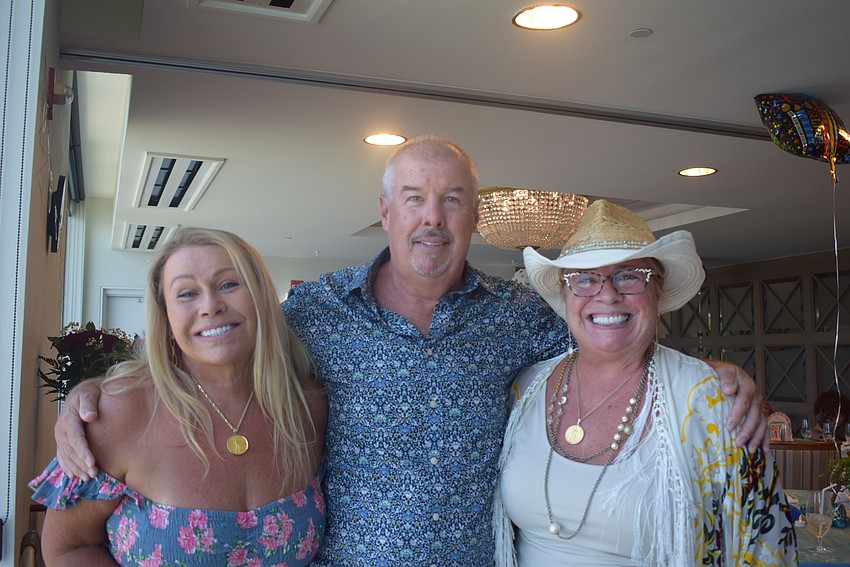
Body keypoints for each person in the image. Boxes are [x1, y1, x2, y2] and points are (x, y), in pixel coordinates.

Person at [54, 137, 767, 566]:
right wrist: (96, 397)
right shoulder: (315, 310)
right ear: (386, 213)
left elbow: (611, 338)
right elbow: (223, 340)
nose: (433, 217)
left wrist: (716, 375)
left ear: (474, 217)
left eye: (454, 199)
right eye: (416, 198)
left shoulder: (520, 314)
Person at [494, 200, 796, 565]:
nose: (607, 294)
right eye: (585, 278)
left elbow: (765, 543)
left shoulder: (710, 400)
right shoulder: (524, 389)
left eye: (629, 275)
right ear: (566, 294)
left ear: (658, 291)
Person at [32, 227, 327, 565]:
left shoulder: (308, 405)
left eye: (229, 284)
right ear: (166, 316)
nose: (211, 306)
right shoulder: (118, 412)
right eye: (186, 293)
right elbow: (67, 548)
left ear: (260, 295)